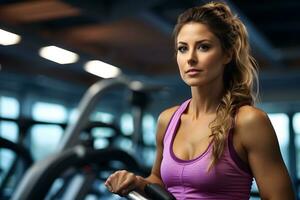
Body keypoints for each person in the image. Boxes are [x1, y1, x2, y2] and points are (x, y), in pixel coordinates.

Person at [105, 1, 295, 199]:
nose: (191, 58)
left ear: (227, 54)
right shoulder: (167, 120)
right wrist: (137, 182)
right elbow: (158, 180)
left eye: (203, 47)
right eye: (183, 48)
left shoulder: (248, 122)